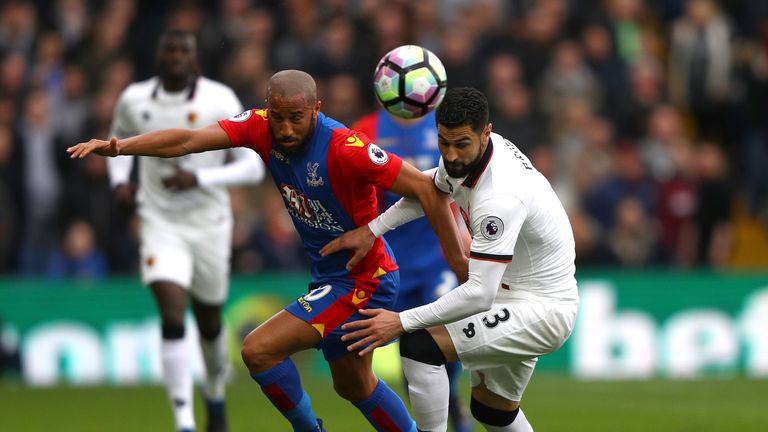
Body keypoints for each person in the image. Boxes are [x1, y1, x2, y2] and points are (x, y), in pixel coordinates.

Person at [68, 69, 467, 432]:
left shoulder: (347, 147)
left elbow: (427, 189)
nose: (287, 128)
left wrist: (453, 259)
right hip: (332, 274)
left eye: (297, 117)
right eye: (278, 116)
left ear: (316, 109)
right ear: (267, 109)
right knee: (355, 386)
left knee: (258, 350)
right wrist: (121, 147)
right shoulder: (259, 128)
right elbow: (189, 139)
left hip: (365, 278)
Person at [321, 87, 579, 432]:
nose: (452, 155)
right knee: (493, 411)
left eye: (461, 144)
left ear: (485, 132)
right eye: (444, 143)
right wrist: (373, 230)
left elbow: (479, 295)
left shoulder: (500, 196)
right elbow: (431, 189)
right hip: (514, 295)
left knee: (419, 346)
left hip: (540, 308)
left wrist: (401, 321)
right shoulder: (474, 155)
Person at [105, 30, 265, 432]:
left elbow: (253, 165)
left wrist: (202, 180)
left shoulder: (220, 99)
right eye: (169, 49)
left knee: (209, 320)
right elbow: (116, 146)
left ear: (195, 59)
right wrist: (120, 182)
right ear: (158, 56)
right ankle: (183, 420)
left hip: (210, 225)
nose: (176, 56)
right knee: (172, 312)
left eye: (183, 50)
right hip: (160, 223)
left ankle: (214, 391)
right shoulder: (134, 99)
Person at [353, 109, 474, 432]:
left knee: (442, 337)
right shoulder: (367, 129)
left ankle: (453, 405)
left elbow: (452, 186)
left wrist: (463, 231)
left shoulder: (443, 129)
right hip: (387, 261)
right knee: (410, 353)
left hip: (435, 257)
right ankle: (427, 416)